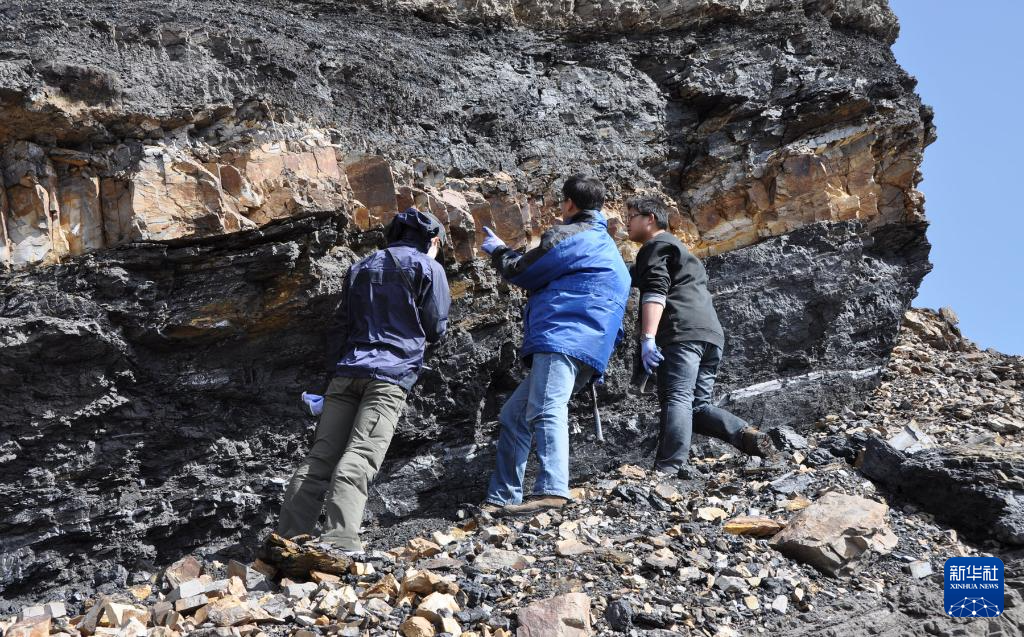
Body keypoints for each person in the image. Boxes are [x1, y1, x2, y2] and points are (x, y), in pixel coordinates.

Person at [276, 207, 451, 552]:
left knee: (319, 457)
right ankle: (340, 539)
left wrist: (333, 374)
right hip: (390, 377)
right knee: (360, 456)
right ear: (431, 240)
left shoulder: (361, 266)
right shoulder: (429, 267)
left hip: (346, 373)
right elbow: (436, 328)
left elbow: (340, 326)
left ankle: (288, 538)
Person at [478, 175, 631, 516]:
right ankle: (502, 497)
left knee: (546, 407)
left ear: (570, 204)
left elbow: (523, 271)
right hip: (590, 345)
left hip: (564, 335)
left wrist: (500, 251)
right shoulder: (604, 242)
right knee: (514, 415)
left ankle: (552, 489)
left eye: (562, 204)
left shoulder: (570, 236)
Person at [626, 197, 775, 476]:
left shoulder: (655, 245)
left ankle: (668, 469)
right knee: (697, 406)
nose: (627, 222)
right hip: (711, 335)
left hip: (681, 332)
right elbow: (633, 275)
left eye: (632, 216)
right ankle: (747, 436)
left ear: (650, 219)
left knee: (676, 397)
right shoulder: (682, 253)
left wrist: (648, 337)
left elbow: (656, 290)